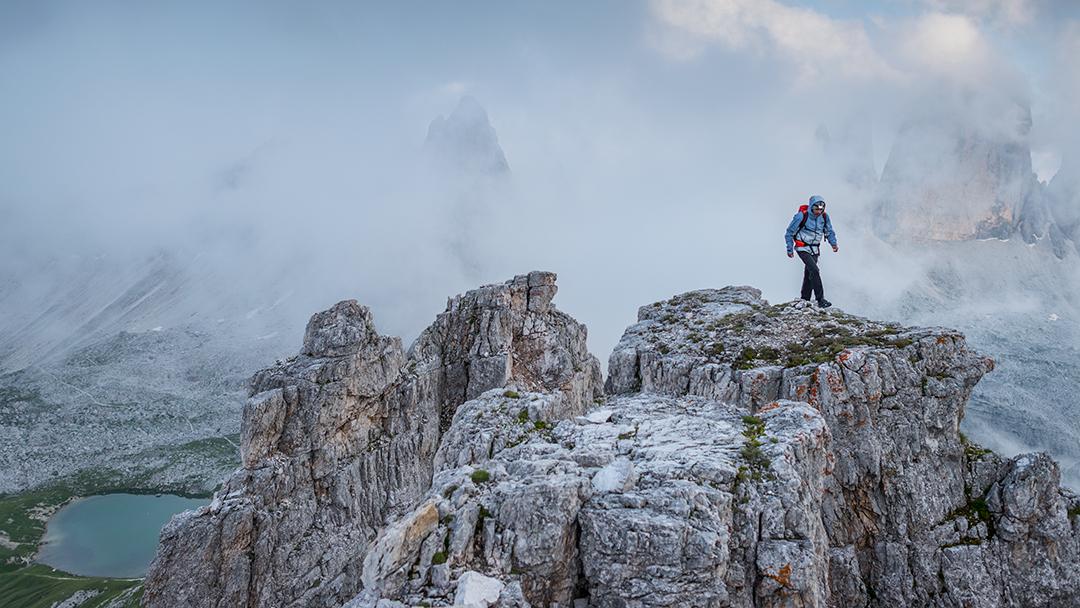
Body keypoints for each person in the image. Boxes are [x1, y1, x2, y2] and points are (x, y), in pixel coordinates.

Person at [784, 195, 838, 307]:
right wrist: (790, 248)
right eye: (816, 209)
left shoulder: (824, 217)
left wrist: (833, 244)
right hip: (802, 247)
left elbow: (829, 231)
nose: (818, 212)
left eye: (821, 209)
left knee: (809, 272)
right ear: (811, 207)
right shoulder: (801, 216)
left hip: (815, 248)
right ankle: (820, 299)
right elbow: (789, 233)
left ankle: (805, 298)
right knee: (815, 270)